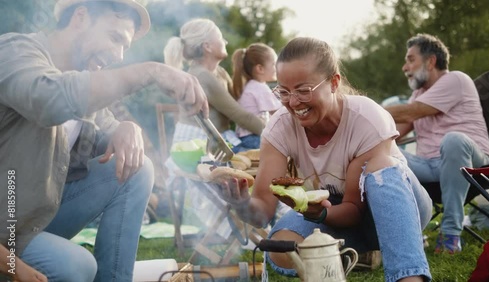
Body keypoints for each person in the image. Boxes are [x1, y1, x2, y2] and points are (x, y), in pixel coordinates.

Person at [0, 0, 208, 281]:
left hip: (39, 217)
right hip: (8, 229)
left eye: (126, 46)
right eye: (115, 38)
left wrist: (125, 128)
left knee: (139, 168)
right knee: (77, 266)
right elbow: (50, 100)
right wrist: (150, 71)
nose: (120, 55)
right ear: (81, 17)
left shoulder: (85, 78)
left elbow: (105, 127)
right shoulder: (15, 51)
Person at [217, 37, 433, 282]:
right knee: (281, 246)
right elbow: (263, 212)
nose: (293, 102)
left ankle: (408, 277)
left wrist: (320, 215)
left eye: (303, 90)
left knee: (382, 167)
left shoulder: (367, 118)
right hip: (337, 217)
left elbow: (353, 209)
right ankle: (339, 261)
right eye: (284, 92)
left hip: (397, 205)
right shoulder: (279, 128)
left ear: (333, 82)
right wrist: (241, 203)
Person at [384, 33, 489, 254]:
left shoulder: (455, 80)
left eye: (410, 59)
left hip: (472, 167)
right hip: (429, 167)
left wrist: (366, 110)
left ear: (431, 61)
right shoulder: (418, 94)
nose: (405, 67)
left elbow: (412, 112)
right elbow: (397, 131)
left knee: (453, 139)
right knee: (383, 152)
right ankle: (405, 233)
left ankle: (451, 234)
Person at [163, 18, 265, 151]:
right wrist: (275, 132)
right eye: (221, 38)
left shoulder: (219, 72)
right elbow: (239, 115)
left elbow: (241, 102)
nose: (225, 42)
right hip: (196, 146)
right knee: (265, 151)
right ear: (207, 47)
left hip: (217, 140)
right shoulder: (202, 76)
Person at [231, 43, 282, 152]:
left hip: (245, 138)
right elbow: (279, 112)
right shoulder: (259, 87)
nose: (277, 68)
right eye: (274, 64)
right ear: (260, 68)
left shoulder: (251, 85)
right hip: (254, 138)